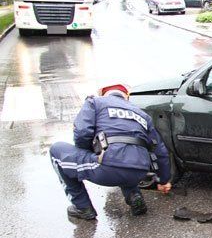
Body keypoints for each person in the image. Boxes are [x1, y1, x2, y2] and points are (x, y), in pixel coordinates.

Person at [50, 84, 172, 220]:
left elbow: (82, 133)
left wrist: (90, 153)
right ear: (126, 97)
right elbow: (160, 150)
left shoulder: (94, 102)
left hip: (107, 169)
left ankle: (82, 207)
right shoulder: (142, 114)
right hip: (140, 172)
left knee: (56, 150)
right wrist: (164, 180)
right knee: (126, 156)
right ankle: (134, 196)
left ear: (103, 94)